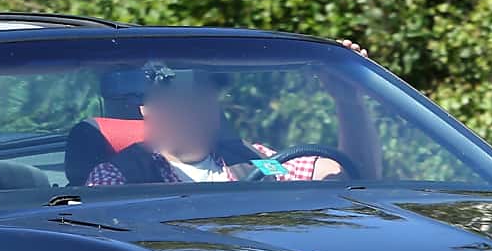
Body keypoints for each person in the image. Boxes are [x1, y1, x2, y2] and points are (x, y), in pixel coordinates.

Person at [83, 41, 381, 187]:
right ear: (146, 107)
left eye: (202, 92)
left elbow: (355, 178)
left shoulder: (257, 160)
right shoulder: (118, 179)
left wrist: (349, 103)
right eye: (176, 94)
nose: (192, 105)